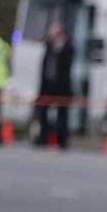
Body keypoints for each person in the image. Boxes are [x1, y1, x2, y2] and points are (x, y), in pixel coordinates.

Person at [36, 20, 74, 149]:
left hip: (61, 86)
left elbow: (69, 61)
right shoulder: (49, 45)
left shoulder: (66, 45)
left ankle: (61, 140)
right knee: (43, 112)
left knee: (62, 113)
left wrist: (61, 48)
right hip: (48, 84)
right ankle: (43, 138)